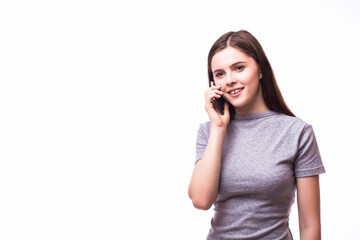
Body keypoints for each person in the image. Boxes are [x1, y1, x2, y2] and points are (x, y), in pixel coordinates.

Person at [188, 30, 325, 240]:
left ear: (260, 70)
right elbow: (200, 200)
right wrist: (218, 128)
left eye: (239, 68)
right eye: (220, 74)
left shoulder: (297, 132)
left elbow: (310, 226)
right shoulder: (209, 131)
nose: (229, 80)